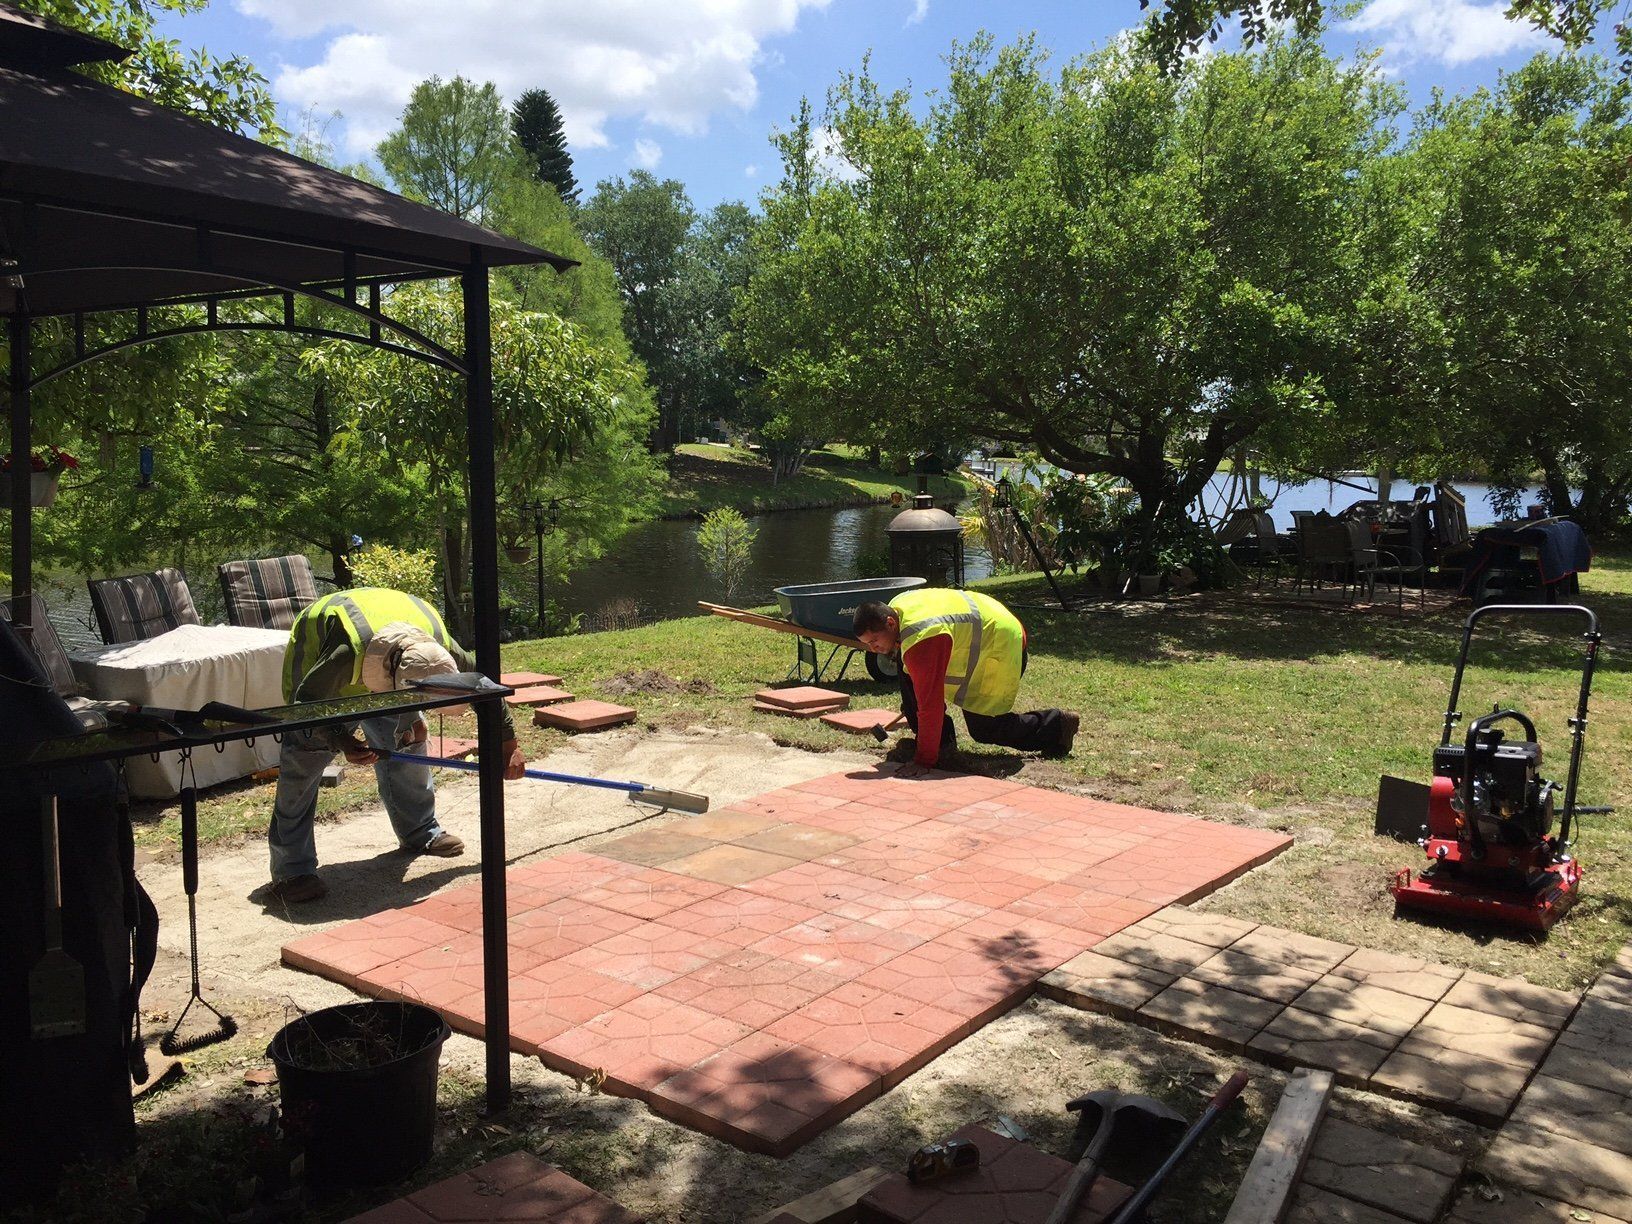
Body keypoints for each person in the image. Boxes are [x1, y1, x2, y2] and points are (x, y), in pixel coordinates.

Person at [267, 587, 526, 903]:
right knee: (304, 761)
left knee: (408, 740)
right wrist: (342, 739)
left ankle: (420, 831)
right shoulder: (344, 653)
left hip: (389, 655)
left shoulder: (442, 646)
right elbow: (308, 702)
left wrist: (509, 746)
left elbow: (486, 690)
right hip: (319, 684)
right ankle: (292, 870)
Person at [853, 588, 1079, 771]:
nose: (873, 648)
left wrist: (924, 761)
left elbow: (930, 705)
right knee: (907, 671)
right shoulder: (898, 609)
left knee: (985, 728)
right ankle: (942, 744)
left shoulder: (922, 638)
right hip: (987, 621)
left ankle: (1057, 726)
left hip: (1000, 643)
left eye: (874, 641)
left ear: (890, 623)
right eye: (868, 644)